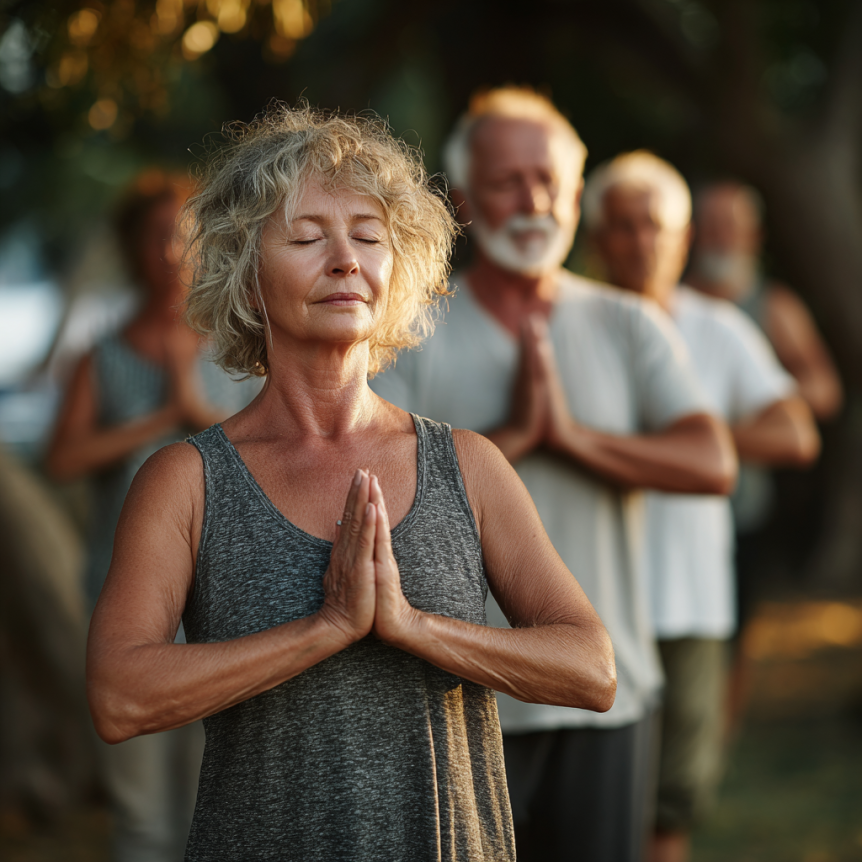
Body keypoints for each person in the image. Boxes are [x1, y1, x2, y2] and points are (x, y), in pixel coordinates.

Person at [84, 104, 617, 862]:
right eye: (306, 237)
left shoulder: (467, 465)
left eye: (368, 236)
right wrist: (324, 629)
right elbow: (119, 695)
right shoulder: (187, 481)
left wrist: (414, 628)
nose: (345, 260)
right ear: (246, 271)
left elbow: (592, 669)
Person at [370, 87, 736, 862]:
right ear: (464, 198)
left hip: (608, 692)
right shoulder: (412, 330)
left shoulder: (627, 322)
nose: (535, 200)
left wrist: (570, 438)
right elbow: (365, 498)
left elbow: (713, 463)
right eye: (509, 182)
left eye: (552, 181)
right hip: (454, 695)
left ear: (576, 194)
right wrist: (511, 441)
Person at [583, 152, 821, 862]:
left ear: (683, 238)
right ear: (596, 239)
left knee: (669, 809)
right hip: (585, 601)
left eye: (655, 225)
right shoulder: (563, 321)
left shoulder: (718, 329)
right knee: (583, 807)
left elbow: (796, 431)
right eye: (622, 227)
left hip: (689, 601)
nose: (641, 241)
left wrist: (691, 442)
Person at [46, 171, 260, 862]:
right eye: (157, 237)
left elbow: (279, 451)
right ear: (131, 247)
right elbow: (63, 459)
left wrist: (199, 415)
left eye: (186, 236)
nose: (173, 252)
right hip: (122, 595)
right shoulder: (99, 358)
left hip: (229, 602)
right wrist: (164, 414)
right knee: (142, 816)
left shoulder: (243, 347)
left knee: (219, 797)